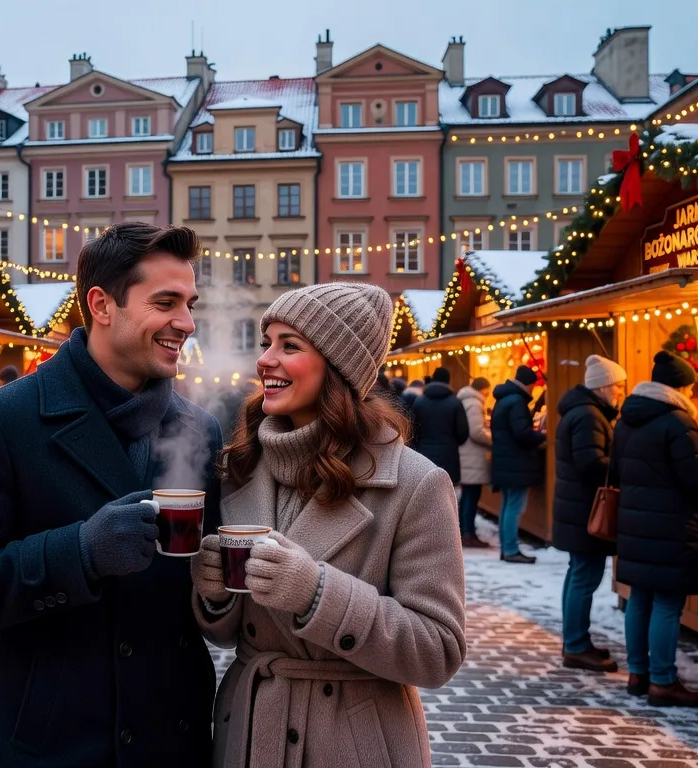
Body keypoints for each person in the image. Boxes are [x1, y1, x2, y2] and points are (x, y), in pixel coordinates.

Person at [0, 223, 224, 767]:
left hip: (173, 738)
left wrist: (226, 588)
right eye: (166, 302)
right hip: (52, 743)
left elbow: (202, 594)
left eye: (190, 304)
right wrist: (79, 553)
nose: (187, 323)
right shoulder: (1, 420)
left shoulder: (198, 428)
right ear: (102, 305)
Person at [193, 283, 466, 768]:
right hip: (248, 734)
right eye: (267, 343)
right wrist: (214, 594)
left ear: (338, 367)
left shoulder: (416, 483)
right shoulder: (237, 466)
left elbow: (438, 650)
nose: (265, 359)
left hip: (353, 741)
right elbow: (233, 634)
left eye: (289, 345)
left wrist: (317, 593)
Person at [613, 351, 698, 707]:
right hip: (671, 525)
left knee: (639, 599)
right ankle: (663, 681)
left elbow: (617, 470)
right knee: (666, 602)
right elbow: (697, 477)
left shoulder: (627, 417)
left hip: (634, 523)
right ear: (680, 387)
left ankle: (638, 674)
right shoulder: (678, 421)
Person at [552, 355, 627, 673]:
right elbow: (591, 464)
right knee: (584, 577)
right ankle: (576, 645)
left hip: (577, 508)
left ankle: (576, 640)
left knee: (579, 575)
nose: (622, 391)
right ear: (605, 386)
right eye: (619, 386)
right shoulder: (588, 416)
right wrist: (625, 464)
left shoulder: (583, 412)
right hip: (585, 510)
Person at [490, 365, 547, 564]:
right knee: (514, 506)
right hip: (515, 462)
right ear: (529, 384)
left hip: (505, 461)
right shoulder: (517, 402)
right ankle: (511, 549)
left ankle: (507, 548)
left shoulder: (504, 399)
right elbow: (522, 433)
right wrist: (541, 436)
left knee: (508, 505)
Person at [412, 367, 469, 484]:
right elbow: (462, 433)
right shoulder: (455, 403)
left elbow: (413, 430)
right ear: (448, 381)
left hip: (424, 454)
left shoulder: (419, 402)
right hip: (449, 455)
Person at [457, 377, 493, 548]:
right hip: (473, 456)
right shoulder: (475, 403)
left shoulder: (465, 400)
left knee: (468, 496)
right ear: (483, 389)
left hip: (466, 455)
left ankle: (465, 531)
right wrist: (492, 439)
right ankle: (468, 533)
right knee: (471, 496)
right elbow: (476, 431)